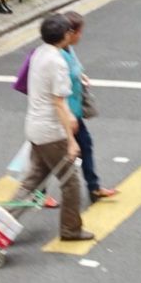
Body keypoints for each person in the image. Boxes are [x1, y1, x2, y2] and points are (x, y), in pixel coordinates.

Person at [10, 14, 94, 241]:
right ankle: (70, 230)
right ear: (66, 35)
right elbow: (59, 102)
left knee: (32, 182)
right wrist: (71, 140)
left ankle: (1, 225)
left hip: (35, 128)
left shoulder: (38, 53)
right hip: (51, 132)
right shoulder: (58, 62)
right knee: (71, 183)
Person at [62, 11, 116, 202]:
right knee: (48, 159)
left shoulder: (68, 49)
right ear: (71, 33)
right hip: (64, 114)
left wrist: (81, 76)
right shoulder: (58, 55)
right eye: (80, 31)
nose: (81, 35)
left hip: (72, 113)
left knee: (85, 146)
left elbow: (75, 69)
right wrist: (68, 117)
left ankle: (93, 187)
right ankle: (38, 194)